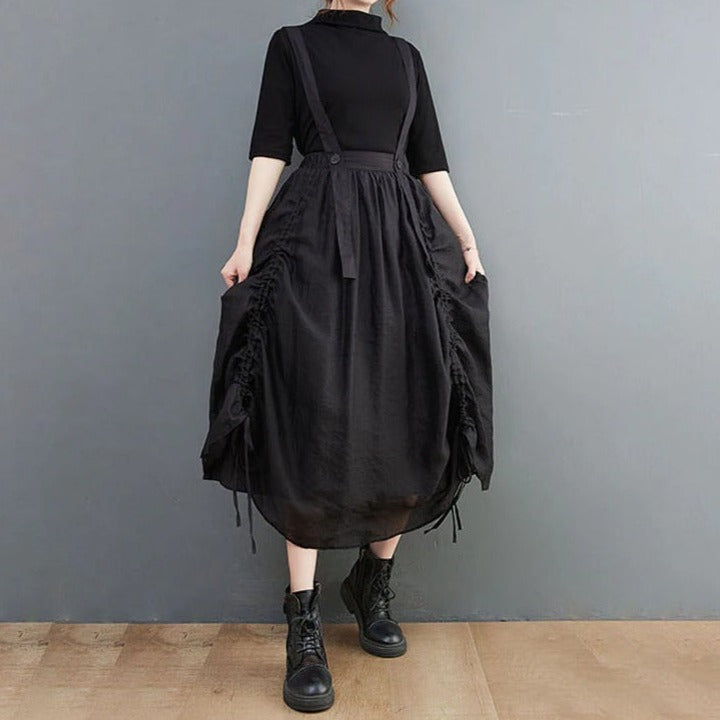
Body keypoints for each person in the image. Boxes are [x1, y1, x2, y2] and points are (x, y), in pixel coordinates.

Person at [200, 0, 494, 711]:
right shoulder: (291, 45)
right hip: (313, 242)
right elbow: (270, 150)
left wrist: (467, 238)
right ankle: (303, 622)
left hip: (401, 248)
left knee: (405, 412)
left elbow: (430, 161)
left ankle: (371, 583)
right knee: (310, 416)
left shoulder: (406, 59)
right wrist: (245, 241)